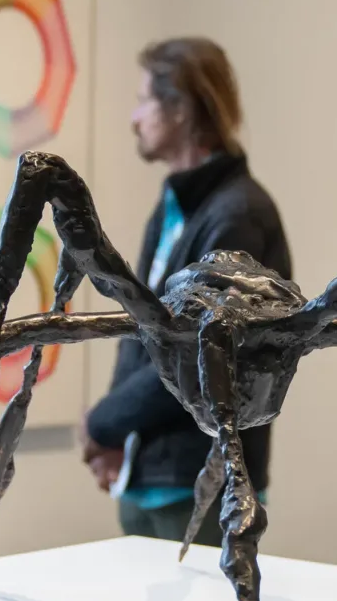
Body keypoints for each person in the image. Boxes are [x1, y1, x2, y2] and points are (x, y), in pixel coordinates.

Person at [82, 38, 291, 545]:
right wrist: (117, 432)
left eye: (143, 100)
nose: (134, 117)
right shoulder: (178, 206)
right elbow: (143, 333)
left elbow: (201, 352)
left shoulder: (237, 215)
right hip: (154, 477)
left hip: (201, 486)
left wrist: (105, 423)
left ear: (181, 109)